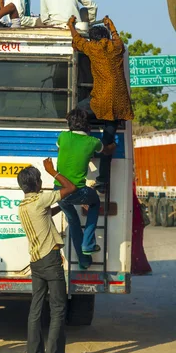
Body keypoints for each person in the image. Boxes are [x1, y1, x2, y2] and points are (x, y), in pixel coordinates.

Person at [18, 159, 76, 353]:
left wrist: (61, 206)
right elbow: (71, 187)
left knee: (36, 308)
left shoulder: (23, 206)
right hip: (50, 261)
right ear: (37, 184)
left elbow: (46, 214)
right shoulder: (41, 200)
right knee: (59, 307)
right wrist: (53, 171)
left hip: (35, 262)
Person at [68, 15, 134, 193]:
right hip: (119, 103)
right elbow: (117, 37)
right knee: (108, 143)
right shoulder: (116, 47)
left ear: (93, 38)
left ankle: (83, 143)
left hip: (100, 99)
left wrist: (71, 25)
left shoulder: (93, 47)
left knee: (75, 115)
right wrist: (111, 25)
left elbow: (77, 40)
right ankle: (103, 181)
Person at [56, 109, 115, 269]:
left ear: (70, 124)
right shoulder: (92, 142)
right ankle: (88, 244)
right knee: (95, 202)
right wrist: (112, 146)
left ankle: (84, 261)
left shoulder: (62, 136)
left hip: (59, 192)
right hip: (77, 191)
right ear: (87, 125)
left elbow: (61, 150)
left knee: (73, 221)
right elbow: (106, 150)